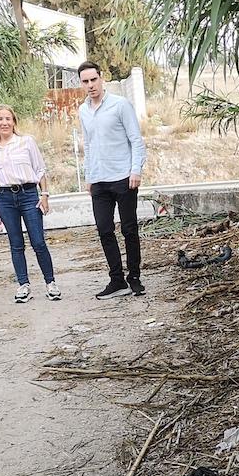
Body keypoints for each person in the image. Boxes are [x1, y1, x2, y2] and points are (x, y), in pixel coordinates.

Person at [76, 61, 147, 299]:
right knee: (104, 229)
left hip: (123, 177)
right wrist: (88, 176)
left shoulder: (120, 105)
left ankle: (134, 277)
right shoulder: (83, 110)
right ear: (81, 83)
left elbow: (136, 140)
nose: (90, 85)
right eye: (85, 81)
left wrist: (135, 170)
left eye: (93, 80)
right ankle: (116, 279)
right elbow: (88, 143)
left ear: (101, 78)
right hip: (99, 180)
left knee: (129, 229)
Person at [0, 104, 60, 303]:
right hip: (6, 198)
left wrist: (44, 194)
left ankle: (50, 283)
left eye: (8, 118)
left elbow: (40, 168)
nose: (4, 122)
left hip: (28, 195)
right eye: (0, 119)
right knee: (16, 244)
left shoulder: (26, 142)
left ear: (14, 121)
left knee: (38, 241)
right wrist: (2, 189)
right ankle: (23, 285)